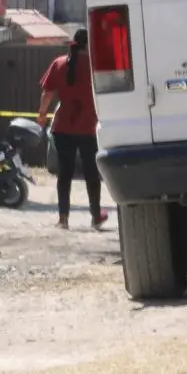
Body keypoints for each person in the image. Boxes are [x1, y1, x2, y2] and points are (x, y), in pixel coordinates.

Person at [38, 28, 109, 230]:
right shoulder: (97, 66)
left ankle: (63, 219)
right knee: (91, 174)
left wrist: (41, 115)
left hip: (63, 127)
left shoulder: (59, 63)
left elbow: (47, 94)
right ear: (89, 44)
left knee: (64, 174)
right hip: (89, 127)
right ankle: (96, 217)